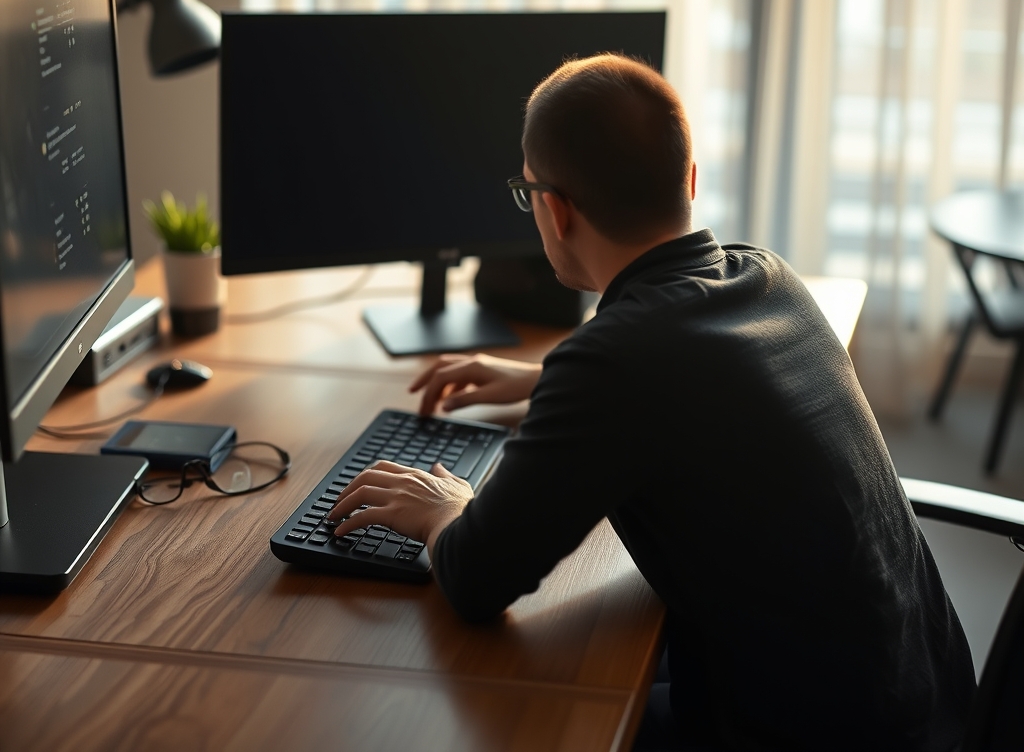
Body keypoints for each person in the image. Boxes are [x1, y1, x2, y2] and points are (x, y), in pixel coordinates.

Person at [327, 54, 976, 750]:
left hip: (813, 733)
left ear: (554, 209)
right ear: (689, 180)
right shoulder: (767, 276)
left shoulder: (614, 363)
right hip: (929, 697)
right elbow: (691, 374)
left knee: (513, 719)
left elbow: (477, 578)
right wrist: (549, 375)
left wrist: (447, 512)